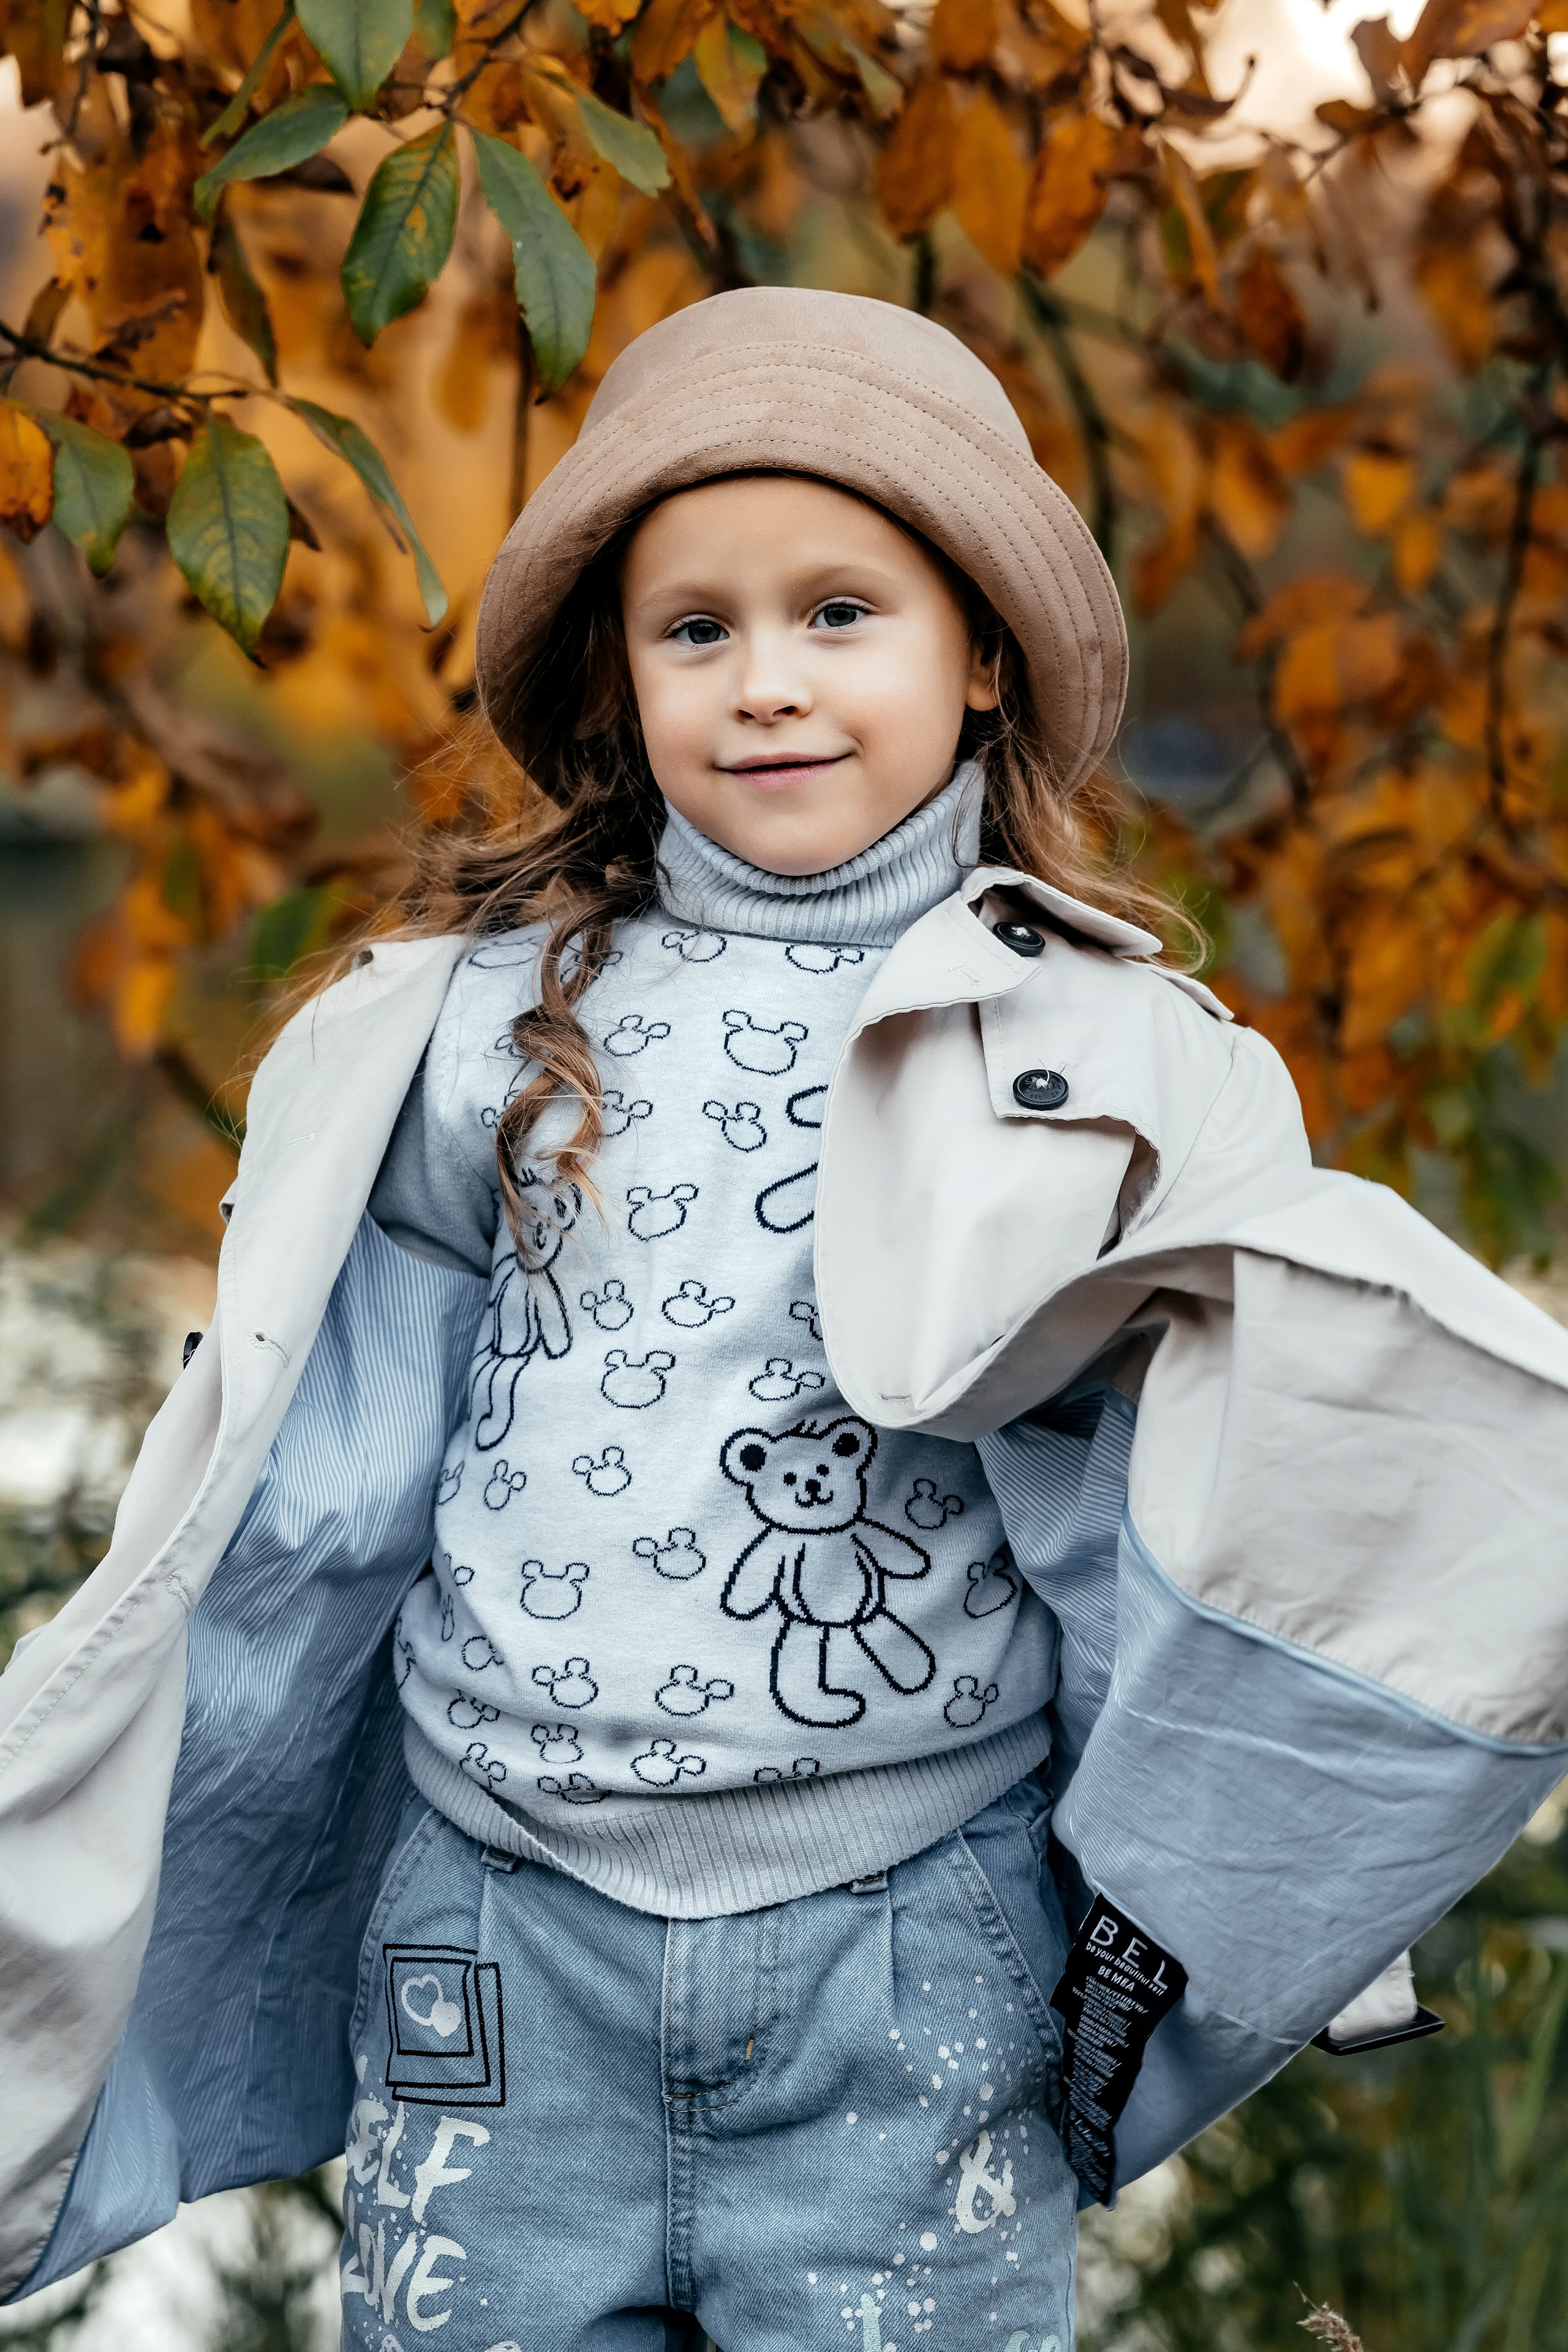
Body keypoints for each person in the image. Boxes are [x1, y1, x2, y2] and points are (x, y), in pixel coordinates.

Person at [3, 290, 1568, 2352]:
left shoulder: (1119, 1052)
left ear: (982, 652)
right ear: (617, 673)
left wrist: (1256, 1873)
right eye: (698, 629)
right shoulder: (472, 1031)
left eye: (844, 613)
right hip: (498, 1921)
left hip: (915, 1939)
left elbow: (1212, 1498)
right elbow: (321, 1491)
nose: (768, 685)